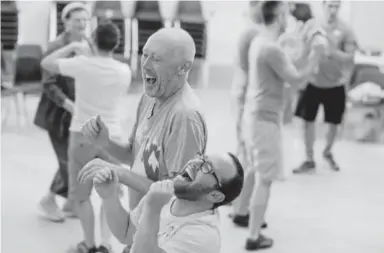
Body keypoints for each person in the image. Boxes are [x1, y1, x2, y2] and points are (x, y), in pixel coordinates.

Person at [79, 27, 208, 210]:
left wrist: (120, 174)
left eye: (156, 59)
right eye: (144, 55)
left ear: (183, 67)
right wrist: (105, 142)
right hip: (141, 222)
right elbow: (135, 157)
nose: (145, 65)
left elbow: (178, 193)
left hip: (163, 232)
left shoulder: (185, 117)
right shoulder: (149, 97)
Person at [41, 21, 132, 253]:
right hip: (111, 138)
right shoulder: (124, 71)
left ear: (92, 40)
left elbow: (46, 63)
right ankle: (106, 244)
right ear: (117, 44)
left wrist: (72, 46)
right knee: (109, 193)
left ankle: (88, 244)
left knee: (82, 197)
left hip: (81, 135)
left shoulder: (82, 65)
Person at [242, 1, 321, 250]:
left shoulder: (261, 41)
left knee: (255, 169)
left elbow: (287, 63)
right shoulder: (270, 48)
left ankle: (241, 212)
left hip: (256, 115)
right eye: (286, 13)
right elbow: (296, 79)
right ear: (278, 15)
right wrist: (316, 56)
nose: (289, 18)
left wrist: (302, 49)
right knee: (265, 179)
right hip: (265, 120)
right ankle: (254, 236)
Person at [81, 152, 244, 253]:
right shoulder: (167, 195)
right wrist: (110, 196)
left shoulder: (203, 235)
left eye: (207, 167)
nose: (195, 164)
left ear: (215, 196)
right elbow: (126, 233)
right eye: (201, 157)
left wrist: (152, 209)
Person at [34, 2, 93, 222]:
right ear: (66, 21)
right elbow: (48, 84)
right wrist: (68, 104)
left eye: (85, 20)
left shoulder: (88, 43)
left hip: (81, 111)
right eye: (77, 20)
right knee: (67, 161)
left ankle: (70, 203)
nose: (82, 24)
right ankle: (47, 201)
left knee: (79, 159)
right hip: (57, 114)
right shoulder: (56, 46)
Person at [293, 0, 356, 173]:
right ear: (323, 5)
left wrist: (332, 51)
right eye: (330, 5)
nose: (333, 9)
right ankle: (308, 158)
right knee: (307, 121)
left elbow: (349, 57)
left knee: (333, 122)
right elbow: (302, 49)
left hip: (335, 84)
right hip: (313, 81)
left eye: (337, 6)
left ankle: (328, 151)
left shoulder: (345, 29)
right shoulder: (313, 26)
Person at [230, 0, 267, 229]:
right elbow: (253, 70)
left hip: (242, 96)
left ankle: (237, 205)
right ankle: (241, 210)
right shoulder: (254, 32)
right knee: (249, 157)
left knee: (244, 154)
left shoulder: (250, 29)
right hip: (246, 98)